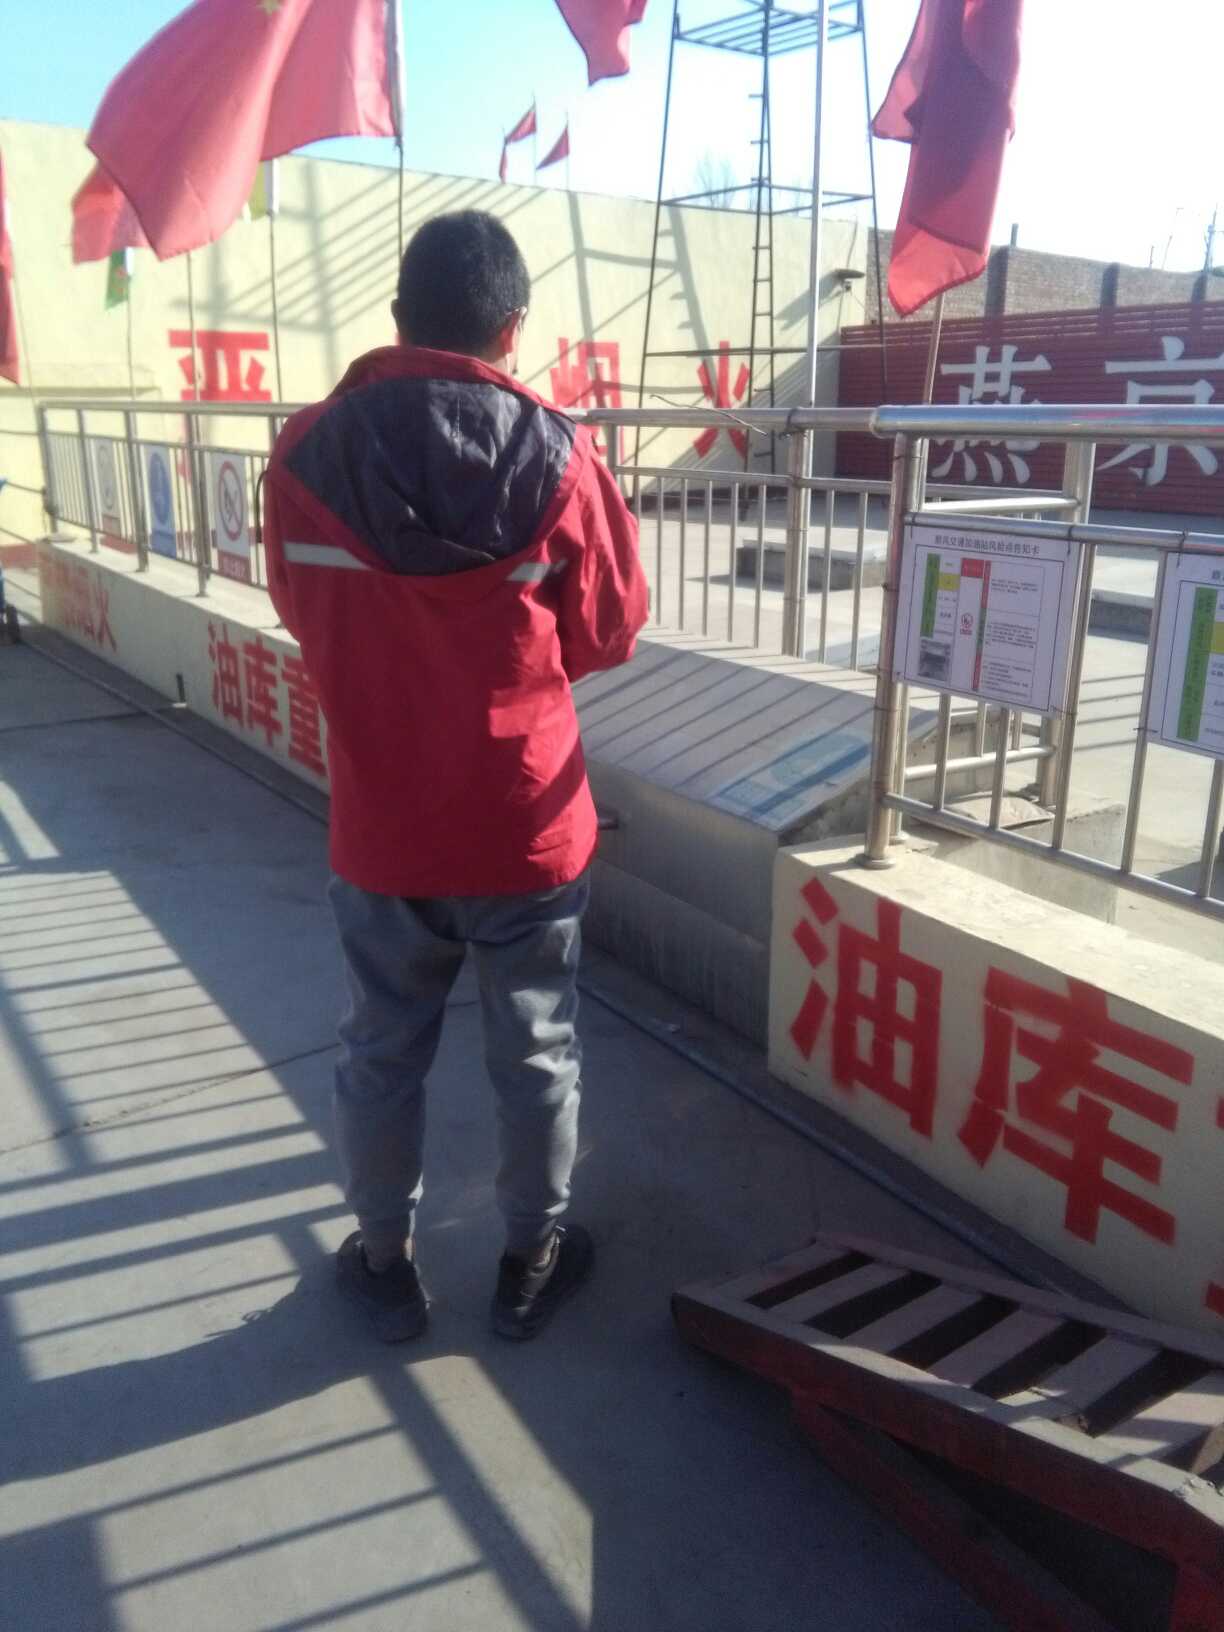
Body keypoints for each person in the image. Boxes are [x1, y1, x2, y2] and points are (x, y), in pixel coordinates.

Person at [263, 210, 648, 1343]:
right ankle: (531, 1261)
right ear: (512, 327)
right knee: (536, 1051)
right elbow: (609, 628)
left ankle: (385, 1263)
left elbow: (300, 607)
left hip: (382, 826)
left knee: (380, 1050)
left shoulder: (304, 453)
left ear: (397, 318)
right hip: (526, 824)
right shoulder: (563, 454)